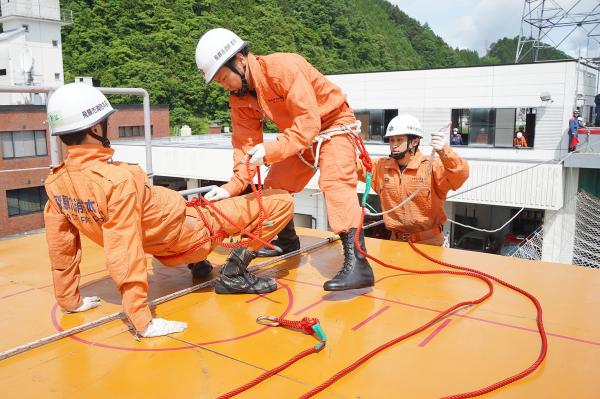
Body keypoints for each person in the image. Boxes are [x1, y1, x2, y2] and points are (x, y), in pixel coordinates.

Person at [44, 83, 295, 338]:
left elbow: (61, 247)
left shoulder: (56, 182)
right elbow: (123, 248)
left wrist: (69, 301)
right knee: (281, 201)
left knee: (199, 211)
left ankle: (198, 263)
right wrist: (143, 321)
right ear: (97, 128)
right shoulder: (118, 180)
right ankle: (234, 273)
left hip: (163, 244)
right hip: (193, 232)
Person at [195, 28, 374, 291]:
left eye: (223, 78)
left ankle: (359, 265)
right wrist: (229, 188)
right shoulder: (240, 97)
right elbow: (244, 147)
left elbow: (309, 121)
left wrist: (271, 150)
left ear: (240, 60)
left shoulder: (283, 68)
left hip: (333, 124)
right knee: (274, 188)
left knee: (335, 182)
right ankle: (286, 241)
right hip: (300, 136)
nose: (225, 86)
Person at [357, 115, 469, 246]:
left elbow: (460, 174)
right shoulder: (381, 167)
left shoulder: (431, 167)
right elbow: (351, 167)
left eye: (399, 140)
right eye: (391, 140)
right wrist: (346, 138)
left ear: (414, 142)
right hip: (395, 242)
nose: (394, 145)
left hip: (429, 243)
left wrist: (445, 151)